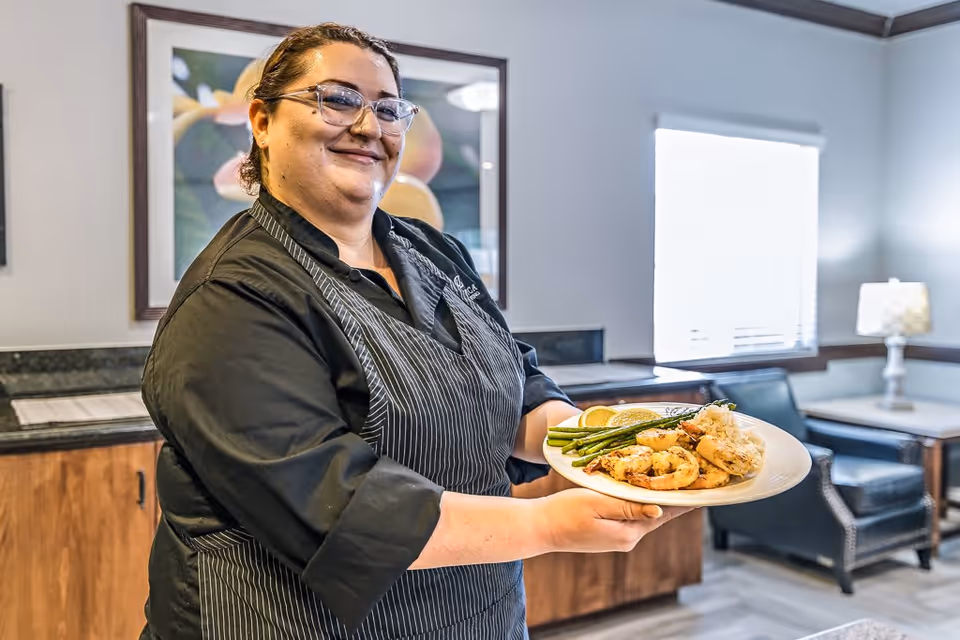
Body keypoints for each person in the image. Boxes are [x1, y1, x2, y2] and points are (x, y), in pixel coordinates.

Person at [139, 23, 690, 640]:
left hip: (475, 614)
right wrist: (552, 525)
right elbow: (338, 506)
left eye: (388, 108)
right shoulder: (233, 297)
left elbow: (514, 388)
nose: (370, 127)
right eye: (338, 99)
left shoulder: (432, 251)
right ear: (262, 122)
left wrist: (609, 446)